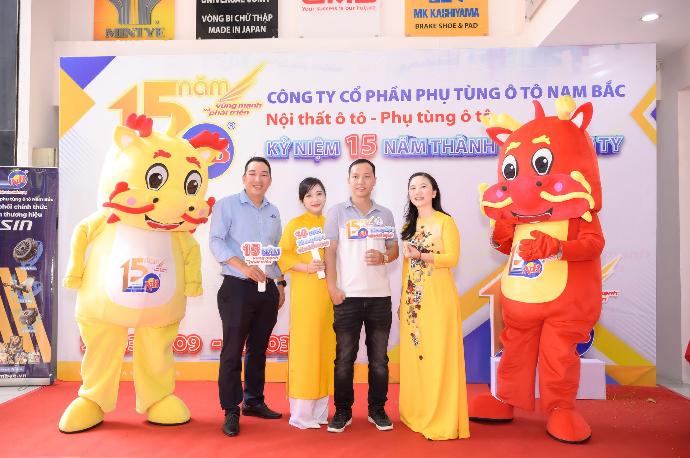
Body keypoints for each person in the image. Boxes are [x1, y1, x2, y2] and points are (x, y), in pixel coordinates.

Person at [209, 156, 286, 437]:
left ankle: (253, 401)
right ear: (244, 178)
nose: (258, 179)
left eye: (264, 174)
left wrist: (280, 283)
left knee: (258, 349)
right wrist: (243, 267)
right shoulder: (227, 205)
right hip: (237, 287)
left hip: (267, 290)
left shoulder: (273, 212)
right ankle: (231, 409)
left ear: (270, 180)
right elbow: (215, 241)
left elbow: (274, 251)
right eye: (252, 173)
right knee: (232, 351)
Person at [323, 159, 399, 433]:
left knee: (379, 361)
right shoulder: (336, 212)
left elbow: (394, 249)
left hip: (379, 297)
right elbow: (329, 252)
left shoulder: (385, 214)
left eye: (367, 176)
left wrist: (384, 257)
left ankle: (377, 409)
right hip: (347, 297)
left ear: (374, 181)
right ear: (348, 180)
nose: (361, 181)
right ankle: (342, 411)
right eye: (356, 176)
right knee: (344, 359)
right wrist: (332, 288)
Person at [398, 172, 470, 440]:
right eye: (412, 188)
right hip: (414, 303)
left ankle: (441, 418)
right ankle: (417, 412)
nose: (417, 192)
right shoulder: (409, 225)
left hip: (438, 299)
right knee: (418, 357)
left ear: (434, 192)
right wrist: (403, 300)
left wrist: (422, 255)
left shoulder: (445, 221)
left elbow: (452, 258)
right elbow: (406, 268)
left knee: (439, 355)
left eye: (423, 187)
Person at [278, 177, 335, 429]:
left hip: (328, 297)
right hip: (305, 297)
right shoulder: (295, 225)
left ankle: (320, 412)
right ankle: (301, 414)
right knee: (306, 350)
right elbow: (283, 256)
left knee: (325, 349)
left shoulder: (330, 224)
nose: (315, 199)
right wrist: (306, 267)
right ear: (301, 200)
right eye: (309, 195)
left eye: (319, 193)